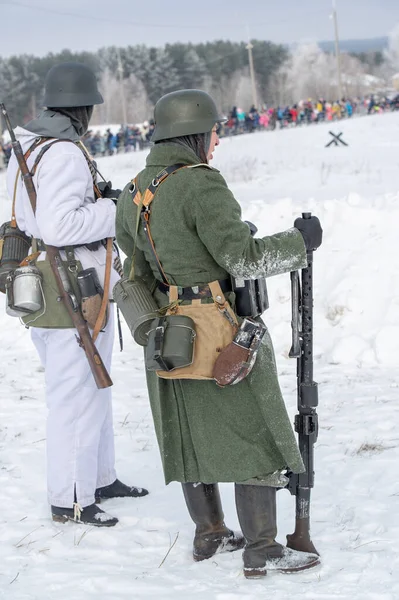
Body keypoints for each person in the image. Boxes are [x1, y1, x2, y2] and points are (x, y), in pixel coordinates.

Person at [115, 89, 323, 578]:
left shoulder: (133, 192)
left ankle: (210, 535)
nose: (216, 142)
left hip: (169, 336)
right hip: (219, 327)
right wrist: (301, 243)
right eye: (213, 133)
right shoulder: (201, 185)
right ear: (196, 134)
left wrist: (156, 325)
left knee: (188, 430)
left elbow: (134, 271)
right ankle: (264, 549)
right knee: (255, 426)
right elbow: (244, 259)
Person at [6, 62, 148, 527]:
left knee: (93, 385)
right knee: (74, 395)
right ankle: (69, 498)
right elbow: (58, 225)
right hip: (72, 289)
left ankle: (99, 477)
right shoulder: (64, 152)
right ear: (82, 109)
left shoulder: (28, 145)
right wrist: (113, 210)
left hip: (49, 284)